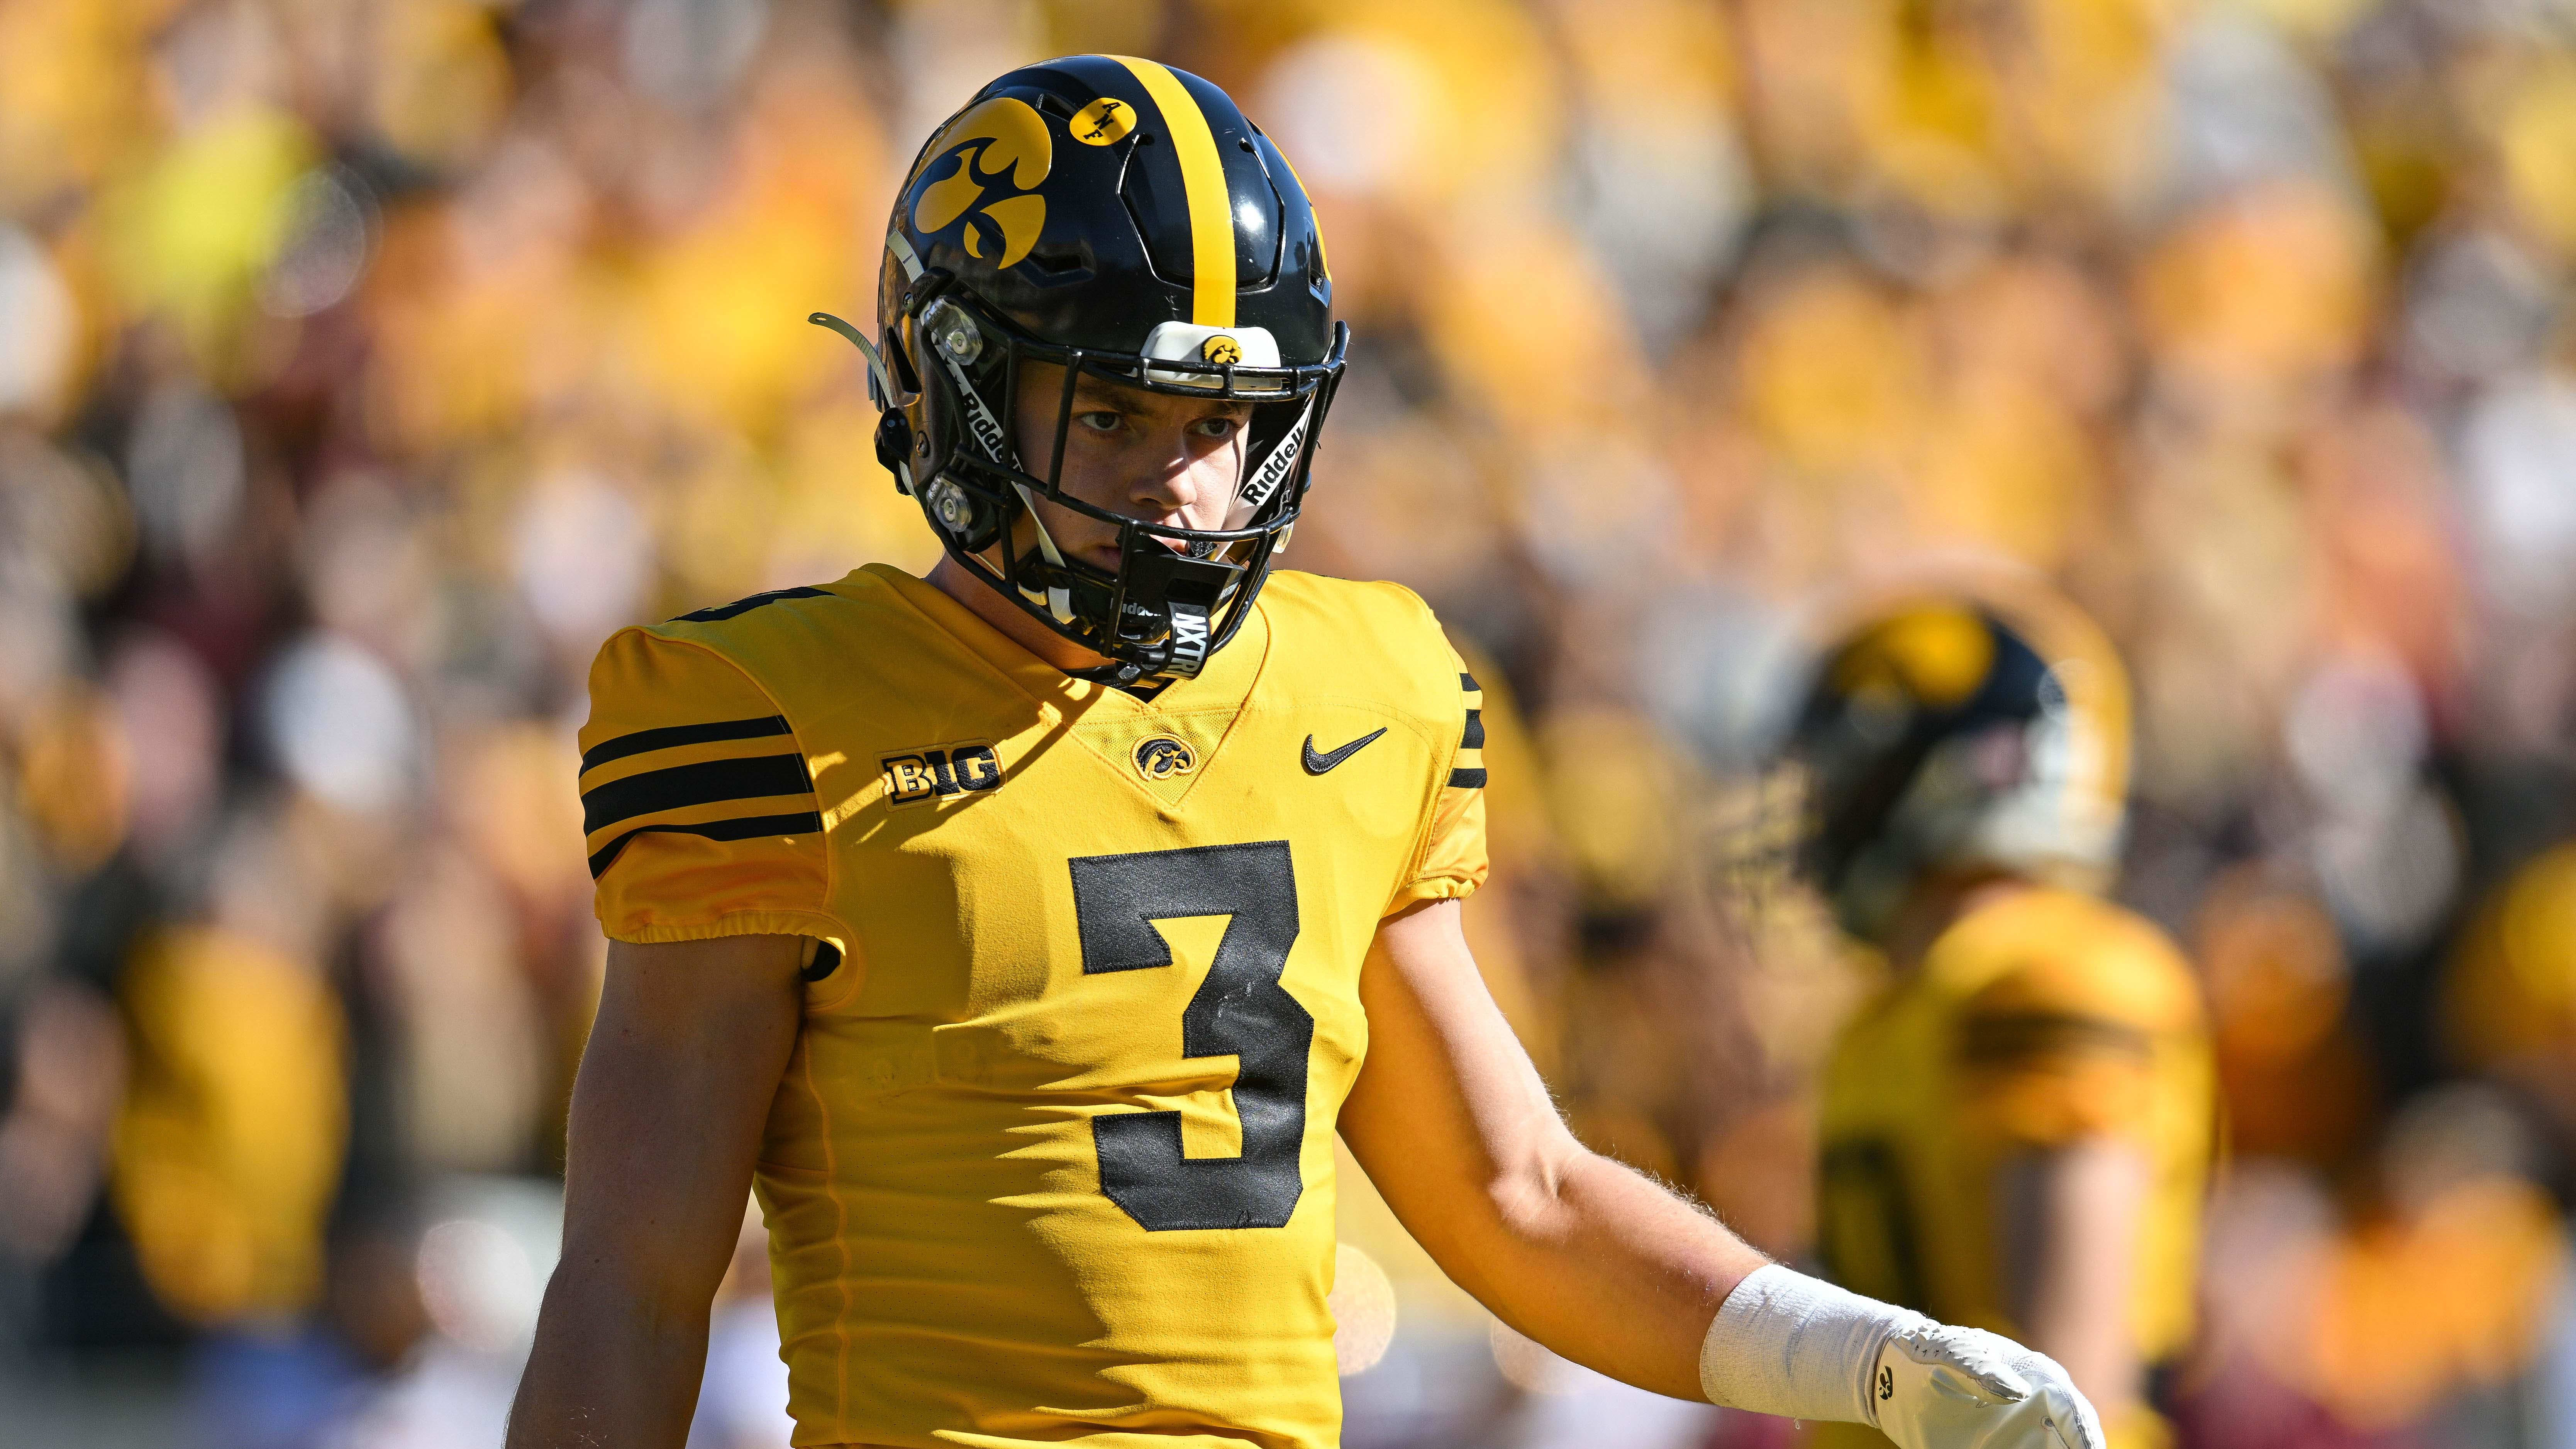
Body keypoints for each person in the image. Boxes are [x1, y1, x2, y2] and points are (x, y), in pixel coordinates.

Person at [504, 56, 2105, 1449]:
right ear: (958, 387)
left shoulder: (1369, 682)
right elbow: (639, 1271)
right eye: (1117, 417)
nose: (1190, 484)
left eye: (1221, 423)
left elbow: (1520, 1191)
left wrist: (1859, 1353)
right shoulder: (767, 711)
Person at [1766, 586, 2215, 1449]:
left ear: (1971, 766)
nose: (1820, 814)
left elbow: (2062, 1386)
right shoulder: (1896, 1014)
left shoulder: (2055, 976)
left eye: (1851, 771)